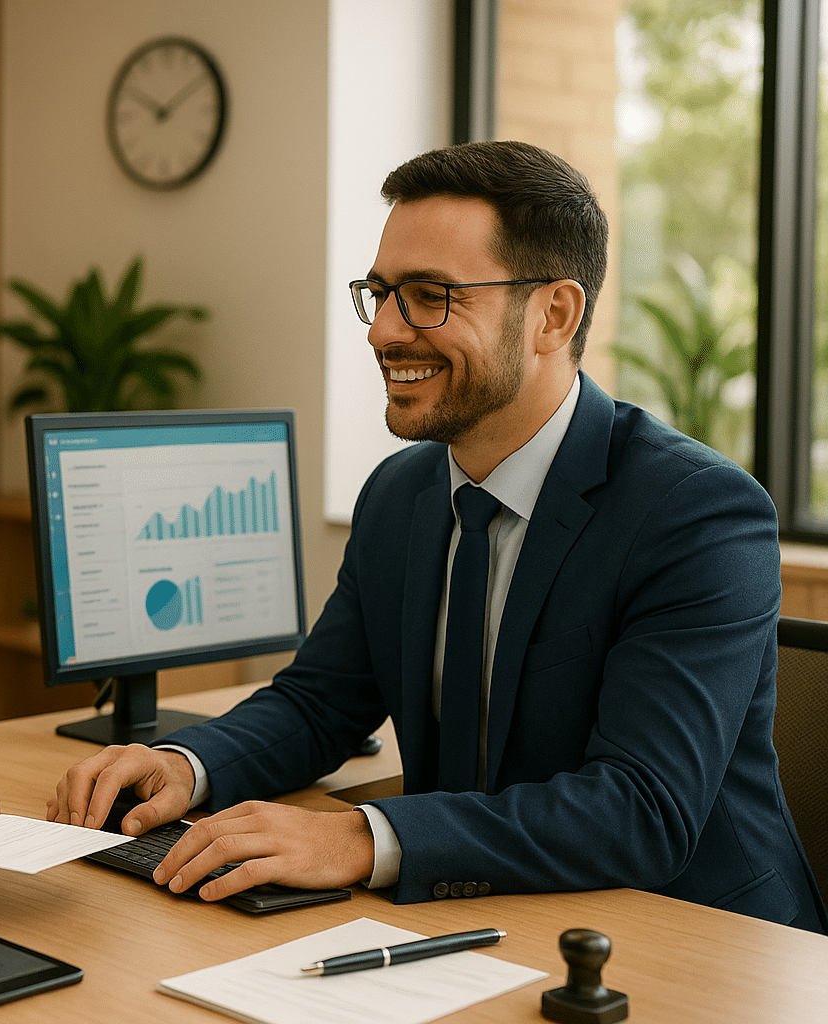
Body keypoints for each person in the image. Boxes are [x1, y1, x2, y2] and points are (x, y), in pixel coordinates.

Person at [49, 140, 827, 934]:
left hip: (689, 939)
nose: (384, 331)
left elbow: (641, 809)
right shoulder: (401, 494)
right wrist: (189, 764)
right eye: (381, 293)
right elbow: (322, 703)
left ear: (552, 316)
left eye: (429, 296)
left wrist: (362, 834)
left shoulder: (696, 513)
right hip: (479, 917)